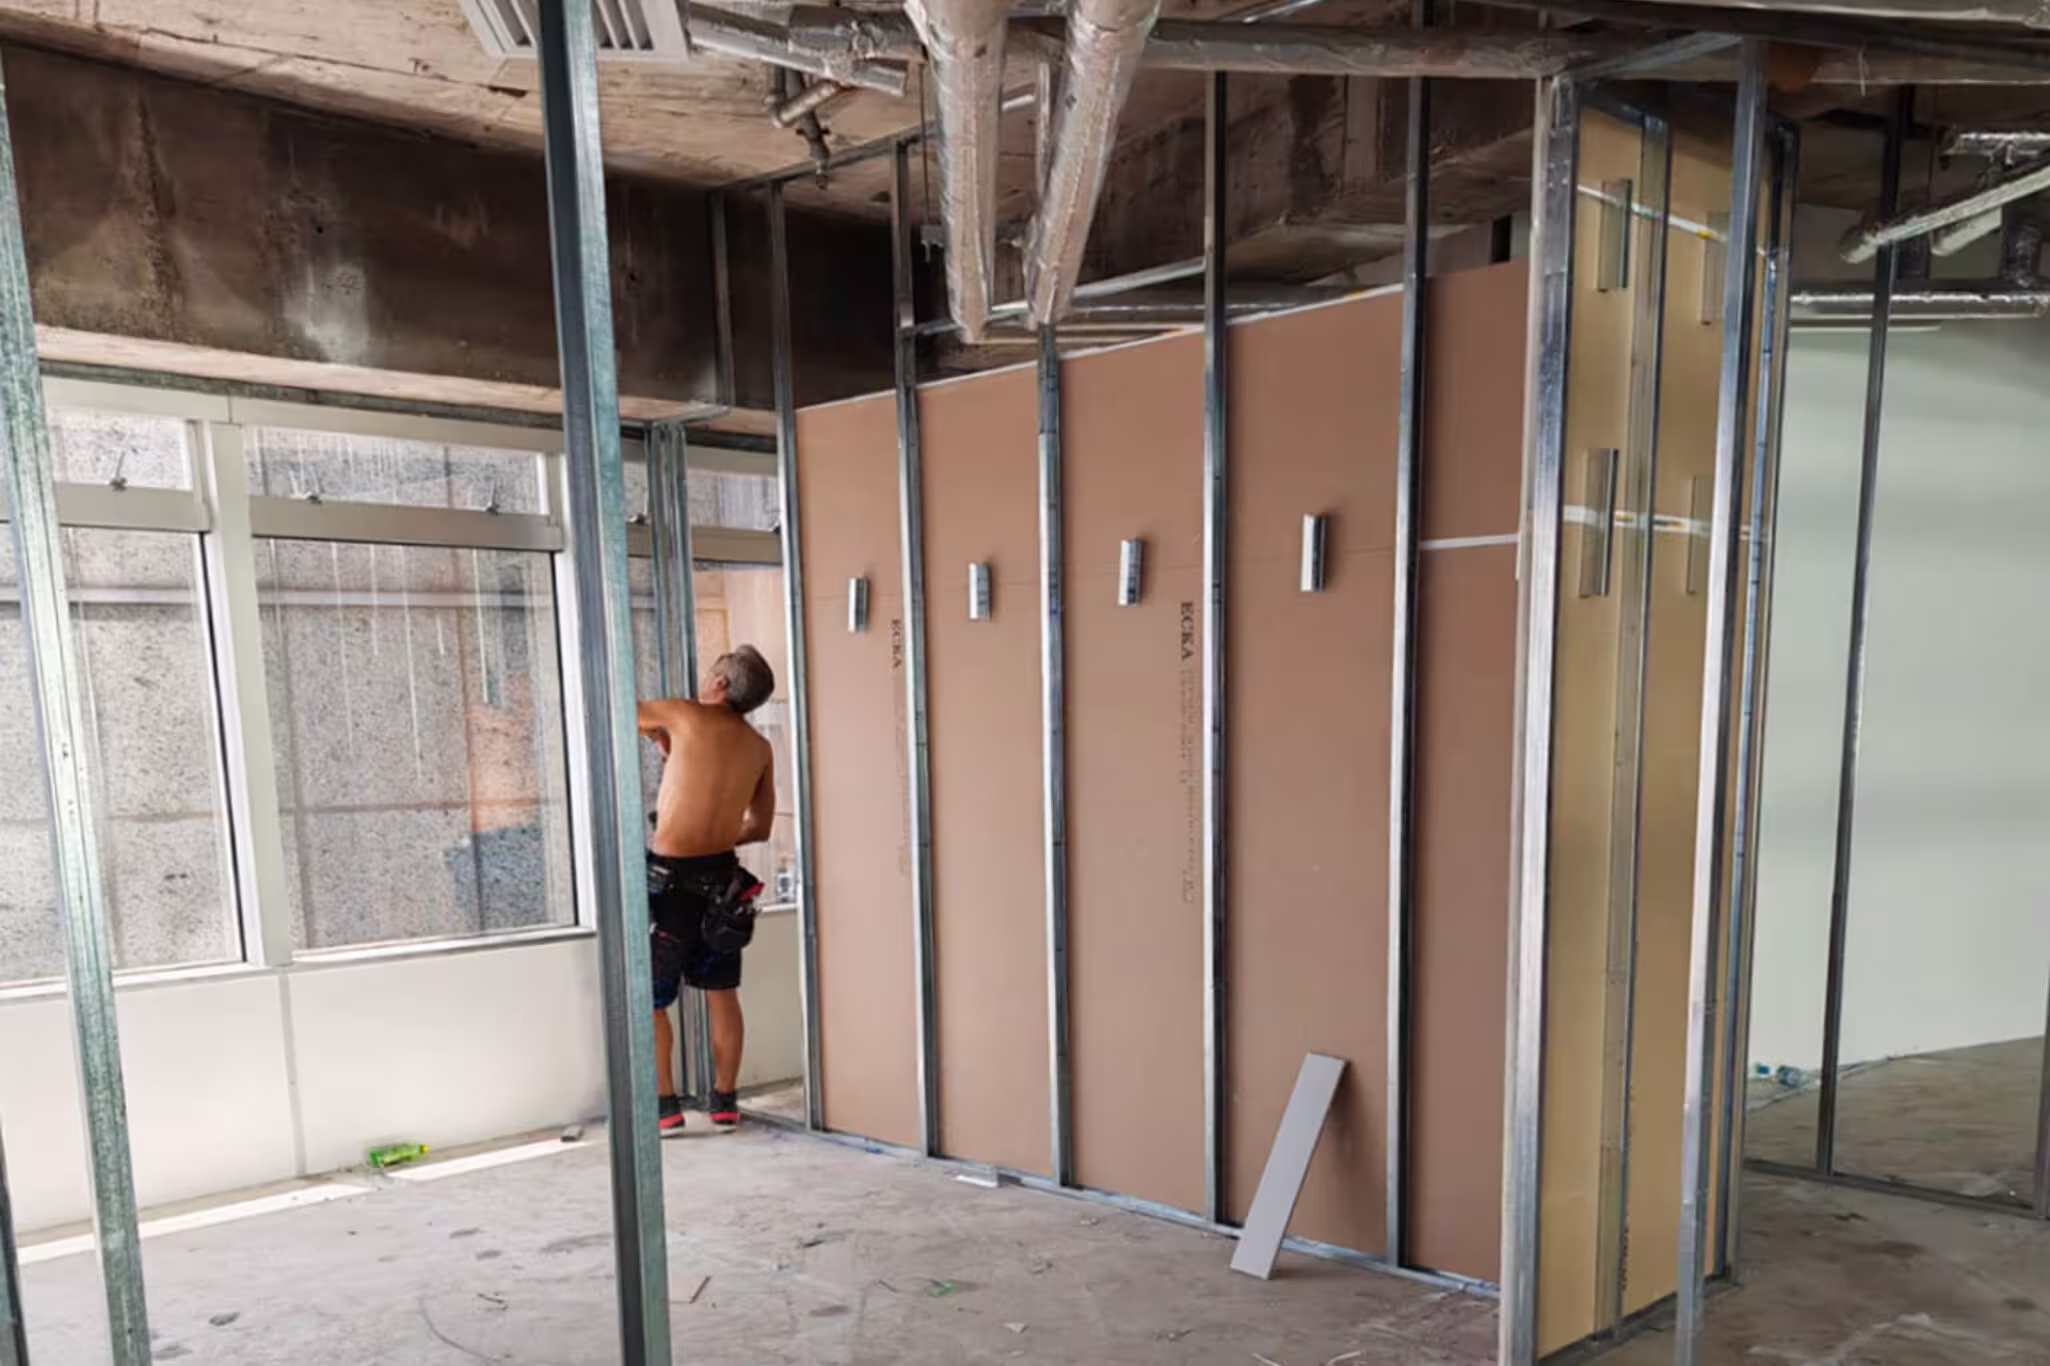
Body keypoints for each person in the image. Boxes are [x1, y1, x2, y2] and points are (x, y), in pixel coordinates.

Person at [638, 645, 777, 1134]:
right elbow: (758, 826)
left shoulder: (685, 715)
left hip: (669, 881)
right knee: (722, 993)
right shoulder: (759, 748)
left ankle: (665, 1107)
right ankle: (724, 1102)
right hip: (722, 881)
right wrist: (713, 831)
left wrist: (666, 731)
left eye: (710, 673)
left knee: (650, 1000)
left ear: (720, 683)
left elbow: (623, 714)